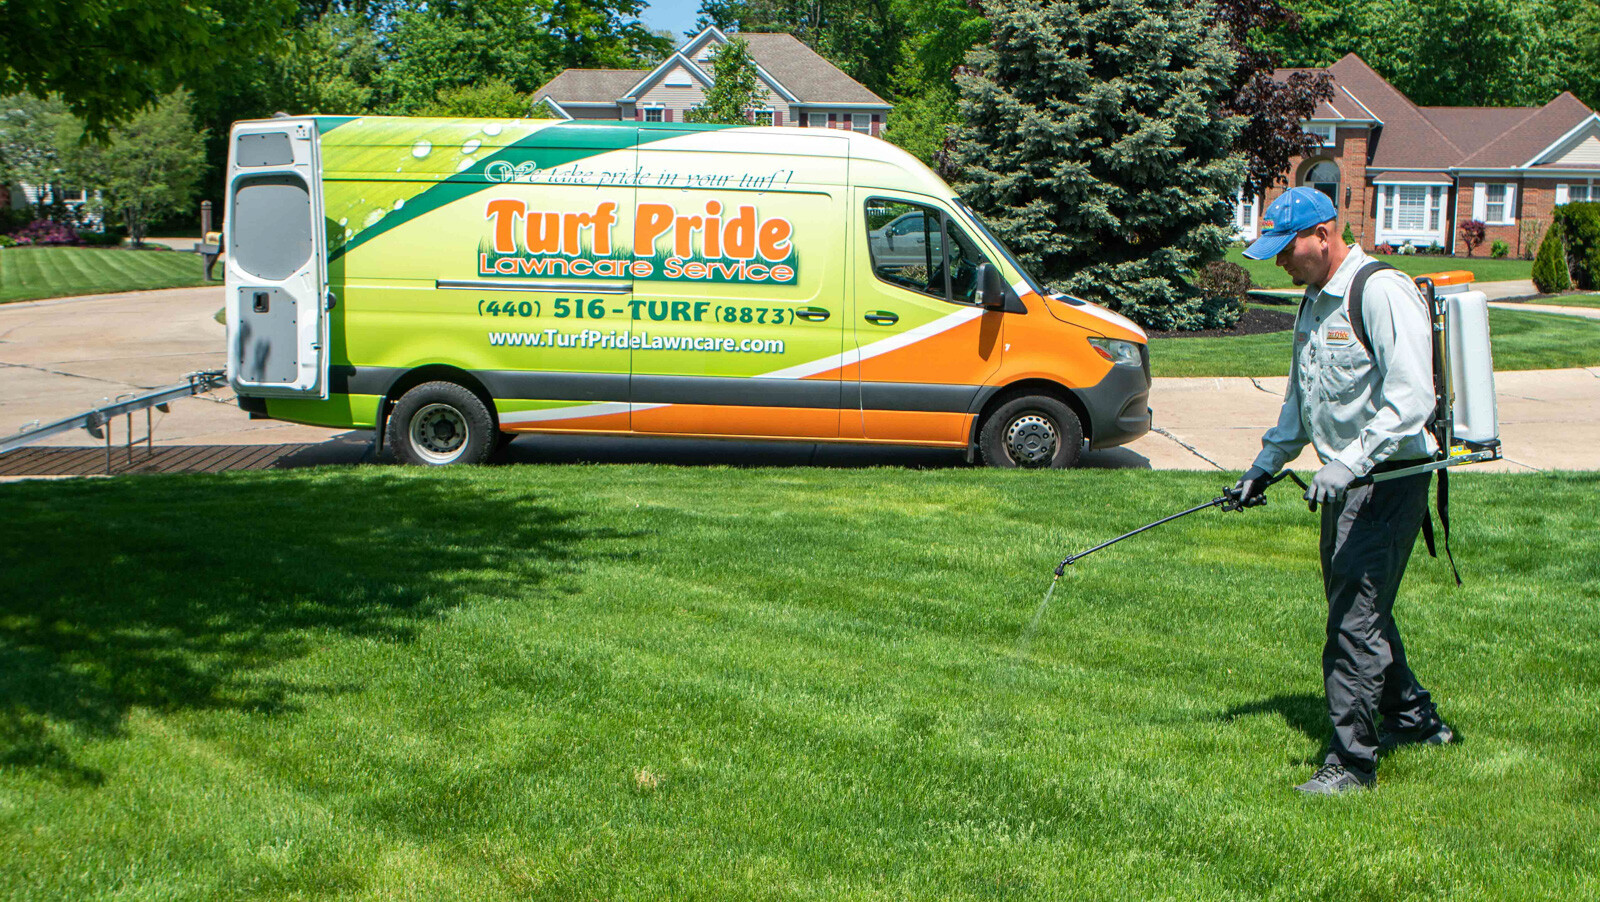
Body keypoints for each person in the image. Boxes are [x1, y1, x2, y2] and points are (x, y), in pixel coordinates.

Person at [1233, 187, 1455, 794]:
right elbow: (1302, 400)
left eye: (1287, 248)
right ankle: (1414, 719)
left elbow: (1413, 399)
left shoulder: (1379, 292)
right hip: (1343, 483)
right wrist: (1265, 464)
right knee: (1359, 609)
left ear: (1325, 236)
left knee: (1352, 624)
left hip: (1387, 480)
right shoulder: (1313, 302)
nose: (1279, 261)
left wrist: (1351, 461)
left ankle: (1351, 765)